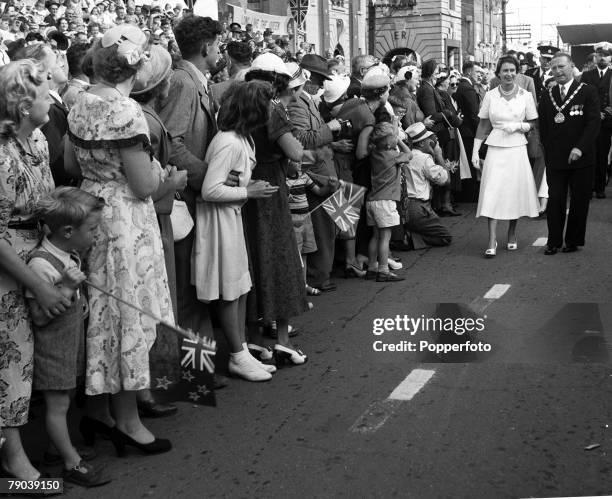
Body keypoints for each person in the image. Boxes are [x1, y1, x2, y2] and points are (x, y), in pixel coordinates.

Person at [65, 25, 173, 456]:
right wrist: (169, 177)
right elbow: (144, 184)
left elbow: (71, 161)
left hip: (94, 209)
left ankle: (98, 413)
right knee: (127, 314)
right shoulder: (127, 113)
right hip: (126, 220)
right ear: (136, 65)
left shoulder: (80, 102)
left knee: (102, 315)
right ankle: (127, 421)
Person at [0, 59, 68, 483]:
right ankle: (14, 459)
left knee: (28, 360)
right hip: (9, 269)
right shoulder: (2, 157)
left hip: (36, 258)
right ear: (24, 105)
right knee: (11, 362)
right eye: (45, 94)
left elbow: (45, 203)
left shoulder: (39, 140)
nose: (51, 101)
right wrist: (37, 286)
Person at [193, 80, 279, 381]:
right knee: (230, 289)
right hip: (219, 221)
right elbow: (210, 189)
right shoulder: (228, 142)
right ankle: (236, 355)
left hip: (231, 216)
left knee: (241, 286)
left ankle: (240, 350)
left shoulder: (242, 139)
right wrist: (248, 191)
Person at [26, 187, 110, 487]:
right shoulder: (41, 264)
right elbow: (38, 315)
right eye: (92, 229)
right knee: (58, 406)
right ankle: (72, 464)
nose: (95, 234)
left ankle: (54, 454)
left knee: (67, 400)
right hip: (52, 350)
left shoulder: (67, 252)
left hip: (68, 343)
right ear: (68, 230)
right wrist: (66, 288)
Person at [130, 44, 188, 418]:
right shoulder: (146, 122)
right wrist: (176, 179)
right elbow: (147, 183)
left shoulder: (147, 117)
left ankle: (164, 380)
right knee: (158, 299)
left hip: (156, 213)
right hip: (155, 213)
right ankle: (158, 385)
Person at [243, 53, 312, 364]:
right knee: (280, 259)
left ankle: (254, 340)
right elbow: (294, 151)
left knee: (253, 261)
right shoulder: (272, 110)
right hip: (270, 185)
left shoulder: (238, 103)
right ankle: (283, 340)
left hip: (246, 183)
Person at [158, 15, 221, 337]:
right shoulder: (183, 82)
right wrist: (211, 177)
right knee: (187, 287)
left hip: (195, 194)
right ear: (207, 46)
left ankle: (201, 369)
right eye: (218, 45)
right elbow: (171, 141)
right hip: (186, 196)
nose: (220, 51)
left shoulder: (193, 80)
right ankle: (194, 374)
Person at [472, 55, 542, 258]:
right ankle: (491, 239)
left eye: (512, 70)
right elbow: (483, 124)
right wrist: (475, 151)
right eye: (505, 70)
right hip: (495, 146)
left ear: (517, 72)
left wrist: (519, 126)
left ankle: (512, 233)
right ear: (498, 73)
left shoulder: (526, 95)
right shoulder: (490, 95)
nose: (509, 74)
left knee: (513, 191)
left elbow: (534, 123)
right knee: (493, 191)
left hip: (517, 147)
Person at [538, 52, 601, 255]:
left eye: (561, 67)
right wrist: (549, 149)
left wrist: (579, 148)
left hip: (582, 158)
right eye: (554, 68)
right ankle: (553, 241)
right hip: (556, 159)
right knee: (555, 198)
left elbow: (593, 124)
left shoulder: (588, 91)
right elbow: (544, 125)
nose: (557, 71)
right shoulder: (548, 94)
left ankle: (573, 240)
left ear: (571, 66)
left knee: (579, 201)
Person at [288, 57, 341, 293]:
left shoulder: (308, 100)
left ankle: (321, 274)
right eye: (318, 78)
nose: (321, 84)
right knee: (319, 230)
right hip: (313, 174)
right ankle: (317, 277)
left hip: (320, 171)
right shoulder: (297, 102)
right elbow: (301, 140)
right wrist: (332, 129)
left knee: (330, 227)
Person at [364, 122, 411, 282]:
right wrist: (399, 141)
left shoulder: (374, 153)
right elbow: (409, 154)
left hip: (372, 200)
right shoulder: (393, 156)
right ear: (389, 141)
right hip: (386, 200)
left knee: (375, 236)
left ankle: (372, 267)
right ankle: (383, 270)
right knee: (385, 237)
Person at [403, 122, 452, 248]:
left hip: (404, 204)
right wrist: (438, 155)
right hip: (418, 207)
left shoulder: (403, 154)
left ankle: (404, 234)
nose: (431, 142)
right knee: (444, 237)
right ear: (420, 143)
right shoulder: (424, 158)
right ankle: (408, 238)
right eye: (428, 140)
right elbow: (445, 180)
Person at [579, 48, 612, 198]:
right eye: (600, 55)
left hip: (607, 122)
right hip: (590, 121)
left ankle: (600, 188)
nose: (603, 58)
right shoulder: (587, 75)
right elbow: (581, 97)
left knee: (603, 154)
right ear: (595, 58)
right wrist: (594, 113)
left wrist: (605, 113)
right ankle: (588, 186)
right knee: (588, 153)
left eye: (606, 55)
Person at [454, 61, 482, 201]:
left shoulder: (462, 86)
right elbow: (474, 114)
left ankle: (469, 193)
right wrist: (480, 133)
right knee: (472, 162)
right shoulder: (468, 89)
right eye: (477, 72)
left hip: (465, 131)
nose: (479, 75)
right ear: (470, 72)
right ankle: (471, 195)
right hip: (469, 132)